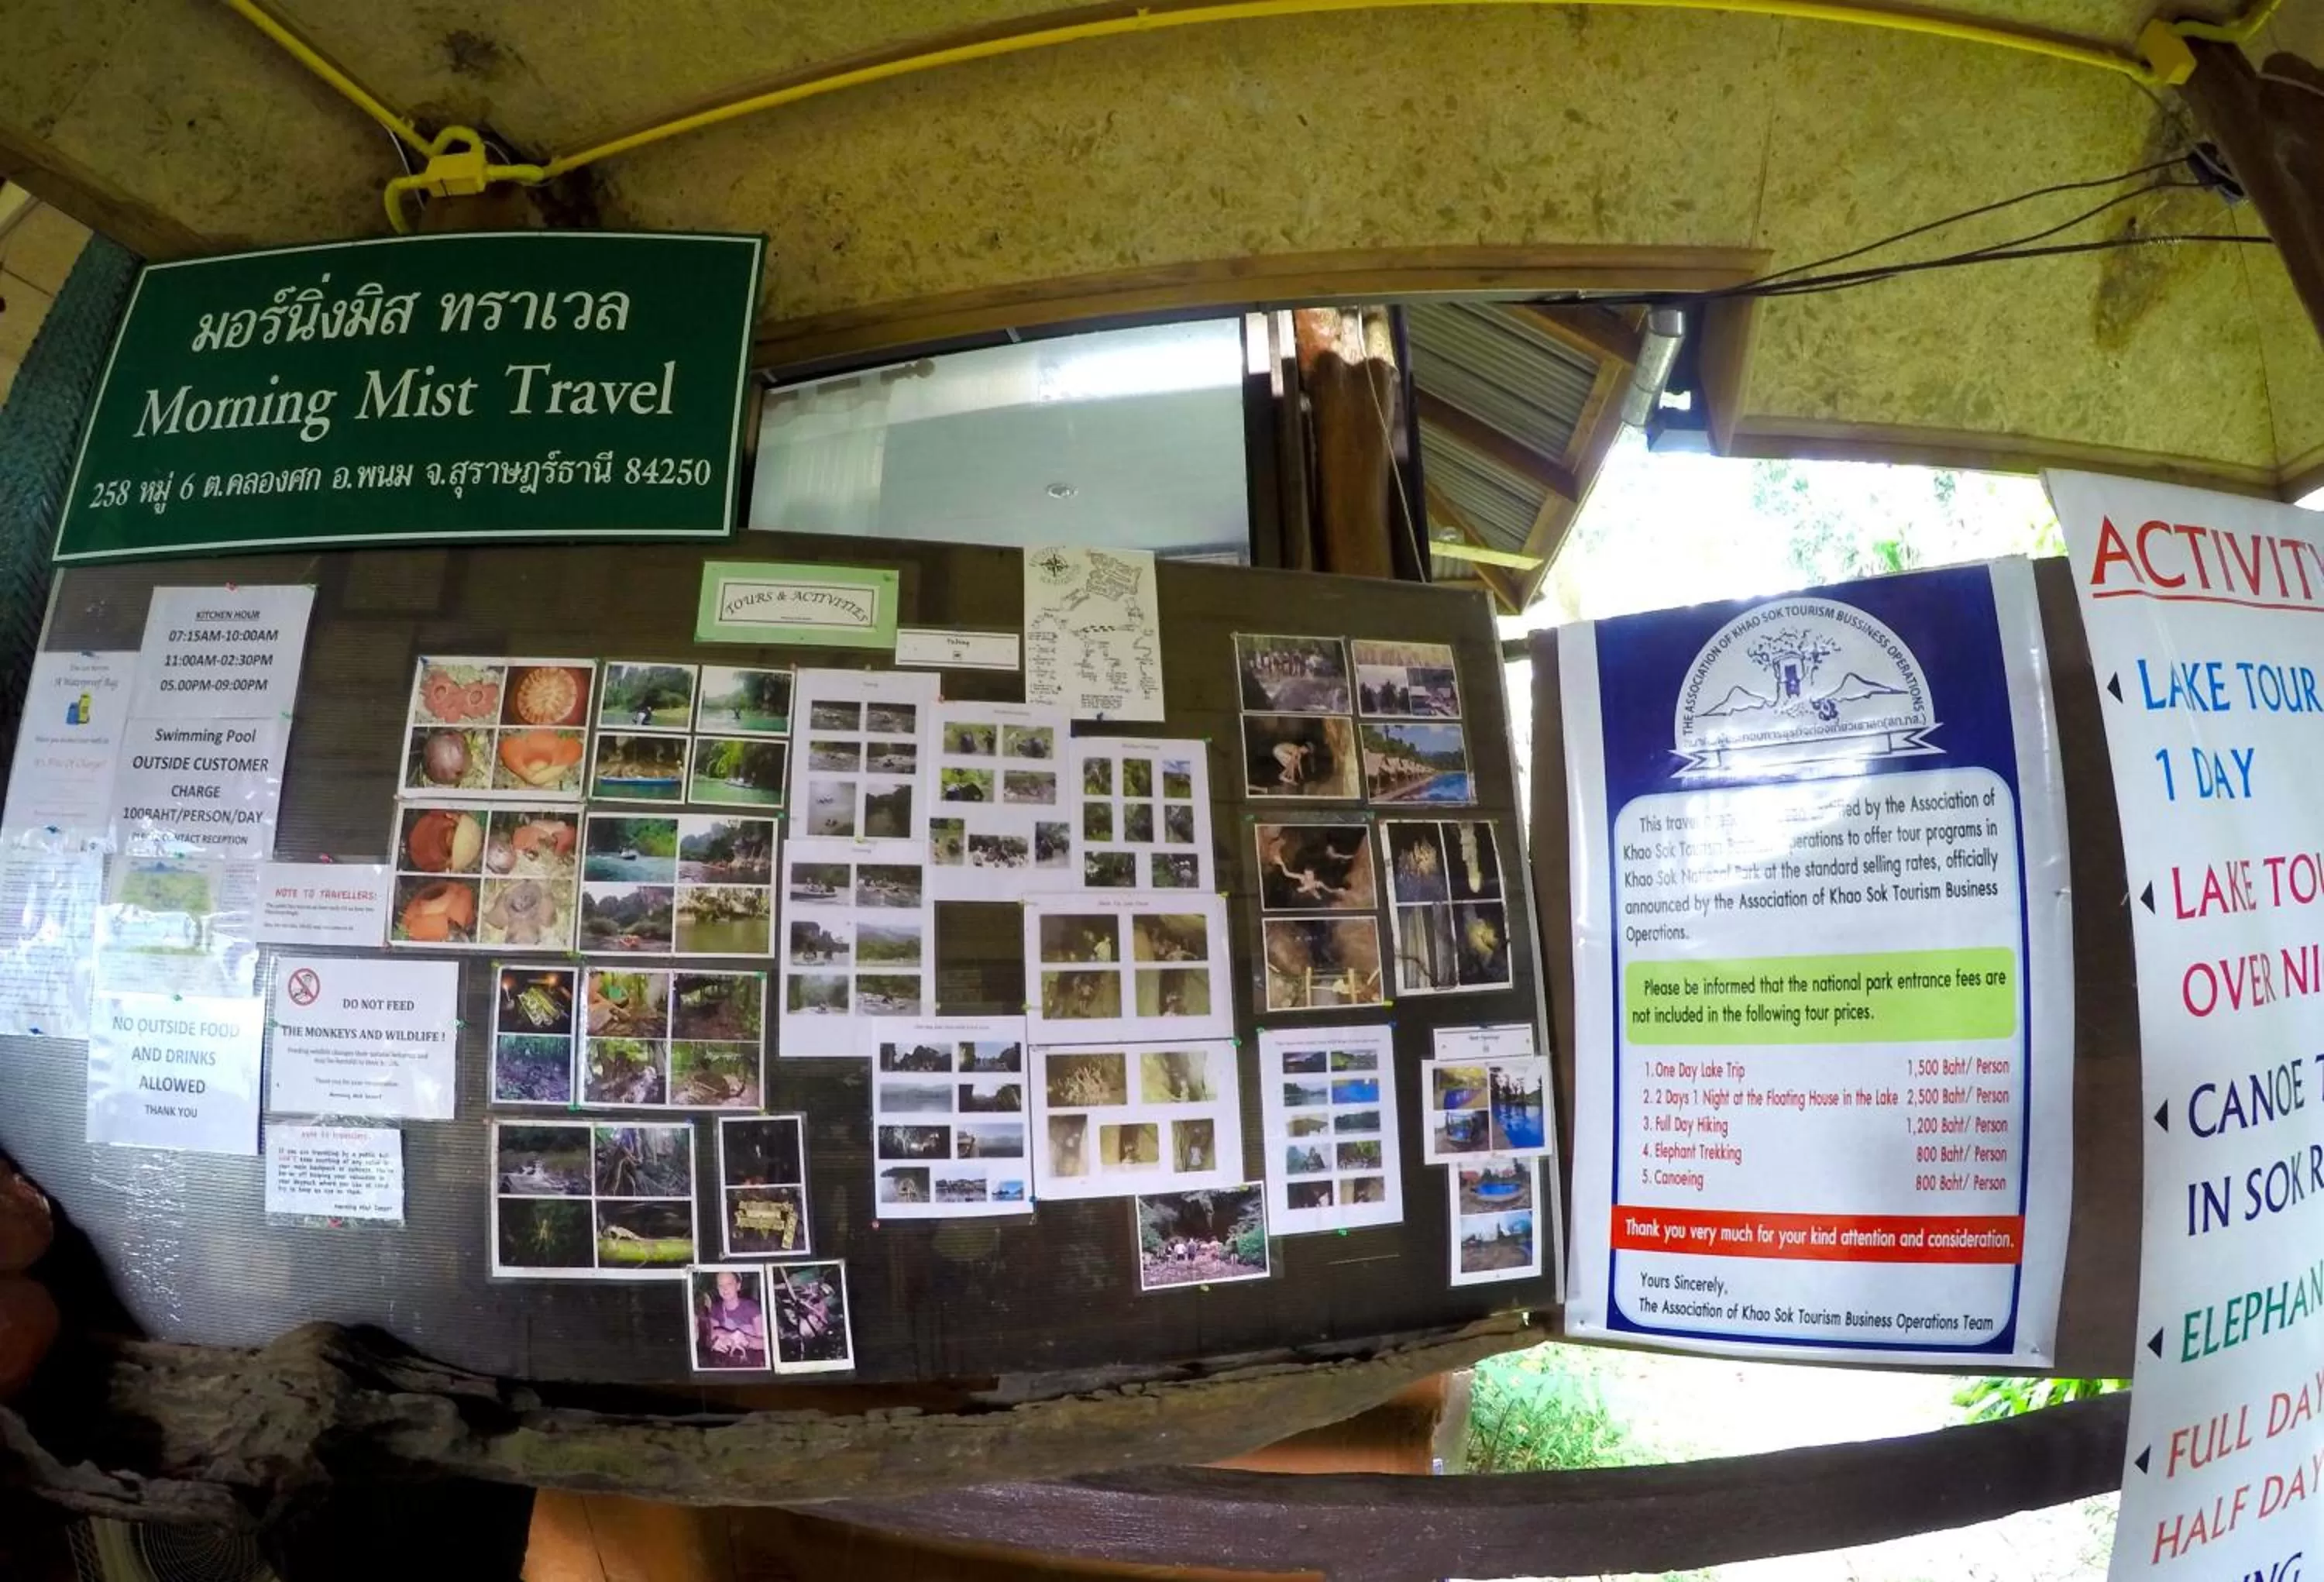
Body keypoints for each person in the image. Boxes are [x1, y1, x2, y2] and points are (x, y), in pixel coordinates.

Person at [696, 1269, 765, 1367]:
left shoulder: (752, 1307)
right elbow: (712, 1335)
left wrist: (747, 1341)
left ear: (738, 1286)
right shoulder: (715, 1309)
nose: (725, 1289)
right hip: (727, 1363)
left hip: (752, 1362)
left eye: (729, 1284)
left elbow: (765, 1343)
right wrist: (717, 1342)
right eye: (721, 1285)